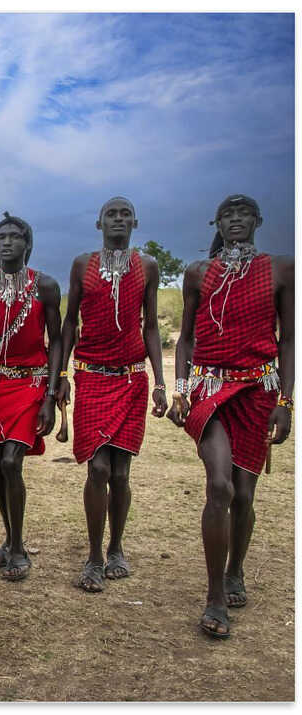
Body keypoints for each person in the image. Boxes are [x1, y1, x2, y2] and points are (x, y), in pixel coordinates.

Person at [167, 195, 293, 638]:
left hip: (259, 390)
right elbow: (185, 339)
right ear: (217, 222)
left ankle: (236, 568)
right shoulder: (199, 273)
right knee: (218, 485)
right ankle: (215, 595)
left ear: (258, 221)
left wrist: (287, 402)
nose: (236, 220)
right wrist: (181, 392)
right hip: (209, 388)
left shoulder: (281, 268)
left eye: (244, 214)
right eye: (227, 214)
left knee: (243, 492)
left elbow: (289, 340)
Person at [56, 197, 167, 593]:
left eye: (124, 214)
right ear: (98, 222)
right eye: (110, 214)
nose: (118, 219)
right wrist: (63, 373)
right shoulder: (82, 265)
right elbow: (70, 323)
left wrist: (159, 380)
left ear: (135, 222)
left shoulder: (148, 266)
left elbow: (151, 326)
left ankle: (116, 547)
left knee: (121, 472)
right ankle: (93, 557)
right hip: (91, 377)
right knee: (97, 469)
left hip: (131, 380)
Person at [0, 213, 62, 582]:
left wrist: (53, 389)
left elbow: (57, 339)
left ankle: (17, 547)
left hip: (31, 382)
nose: (8, 242)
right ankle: (10, 536)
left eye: (15, 236)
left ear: (28, 244)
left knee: (13, 462)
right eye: (1, 237)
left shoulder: (45, 285)